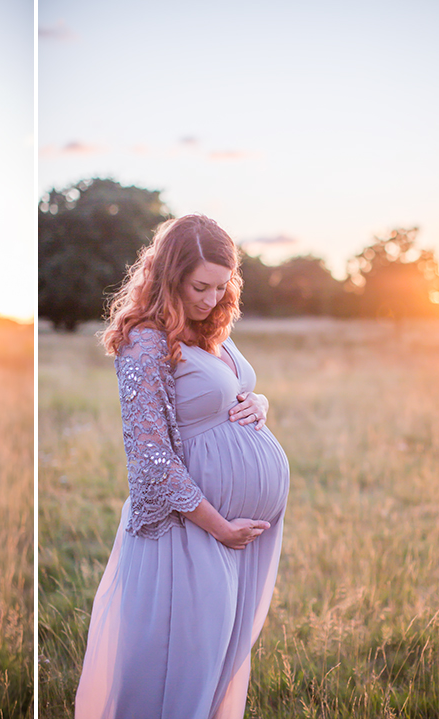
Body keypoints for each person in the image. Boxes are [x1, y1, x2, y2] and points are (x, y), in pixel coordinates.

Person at [75, 214, 290, 719]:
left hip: (234, 533)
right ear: (170, 276)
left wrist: (258, 402)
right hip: (190, 529)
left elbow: (227, 392)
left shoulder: (207, 327)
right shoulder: (145, 341)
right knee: (180, 667)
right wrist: (220, 527)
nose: (213, 298)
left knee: (216, 661)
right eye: (200, 286)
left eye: (222, 286)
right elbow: (150, 457)